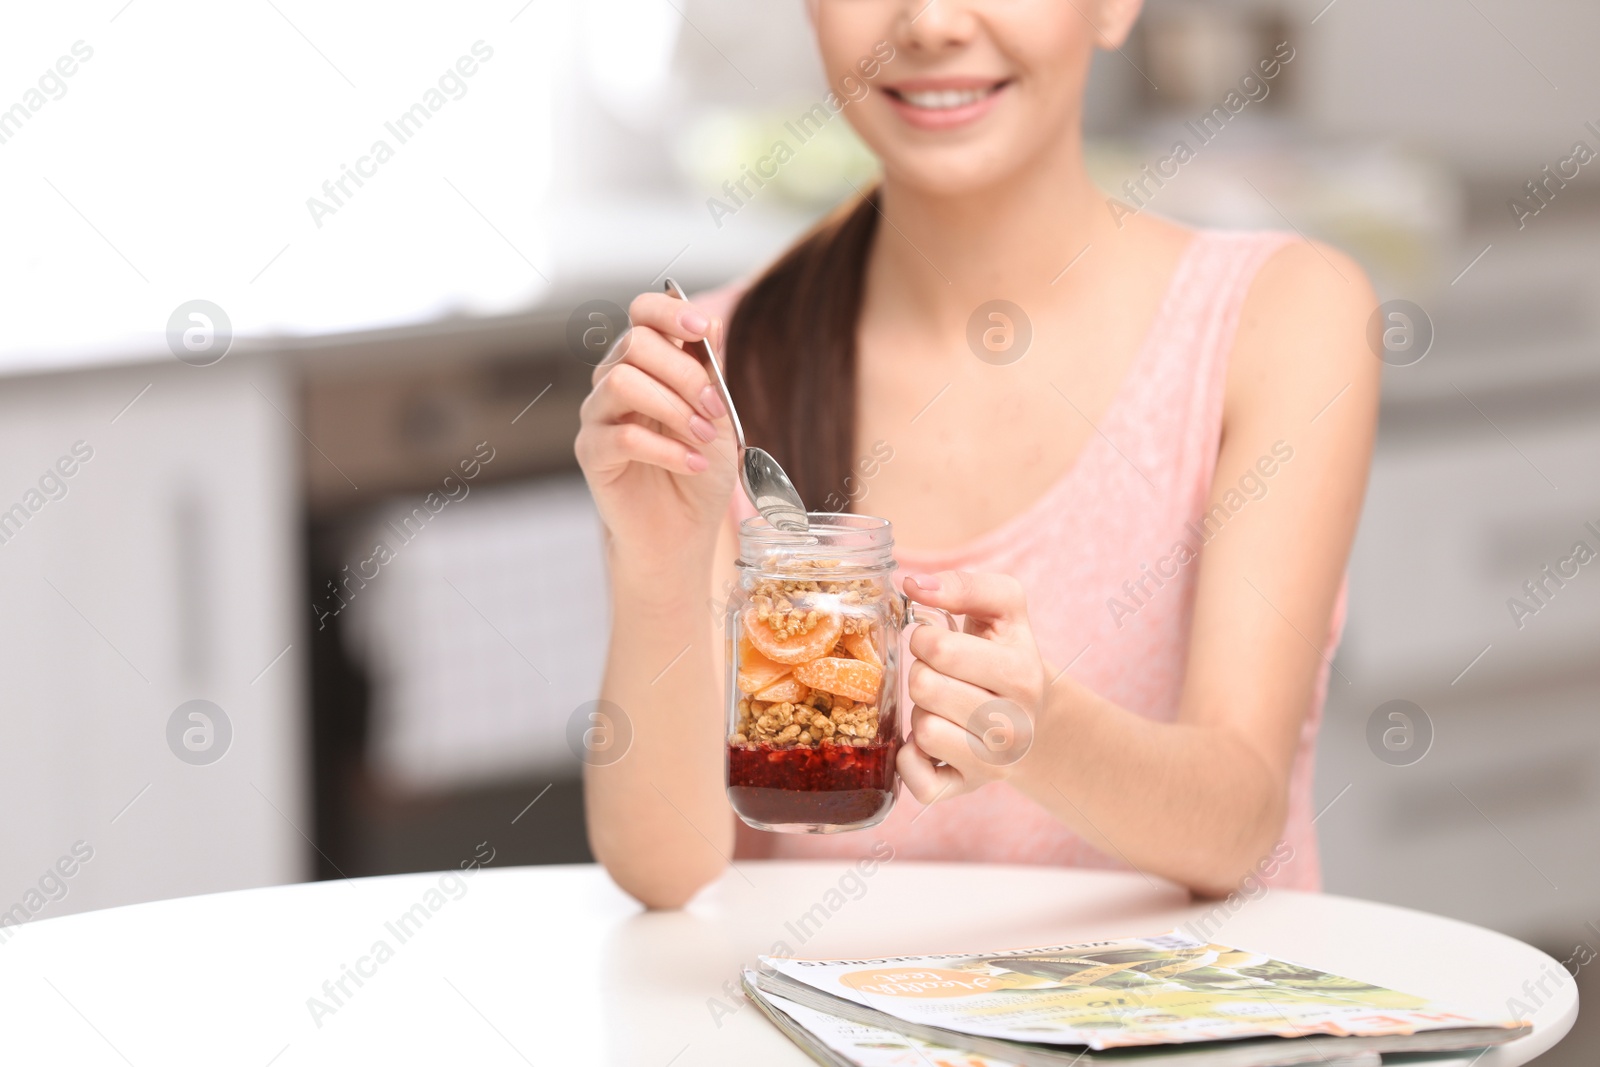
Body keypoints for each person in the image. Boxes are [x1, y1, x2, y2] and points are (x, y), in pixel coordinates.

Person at [575, 0, 1378, 909]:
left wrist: (1041, 731)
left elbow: (1235, 825)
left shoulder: (1279, 319)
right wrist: (656, 568)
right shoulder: (713, 370)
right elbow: (666, 868)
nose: (931, 22)